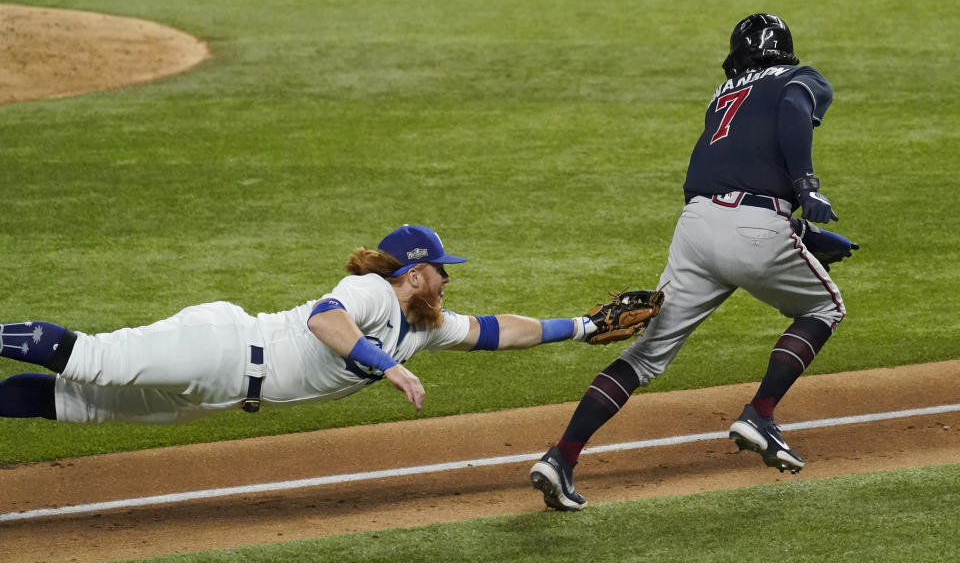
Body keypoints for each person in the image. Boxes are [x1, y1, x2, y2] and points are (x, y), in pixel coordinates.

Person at [530, 13, 848, 511]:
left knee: (644, 355)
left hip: (696, 226)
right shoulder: (801, 77)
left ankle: (561, 457)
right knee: (824, 310)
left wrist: (801, 231)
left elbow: (725, 172)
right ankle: (760, 414)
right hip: (758, 227)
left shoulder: (721, 96)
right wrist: (806, 188)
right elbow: (790, 110)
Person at [0, 224, 605, 424]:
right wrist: (387, 366)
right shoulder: (369, 292)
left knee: (76, 403)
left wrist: (581, 326)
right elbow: (325, 322)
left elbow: (497, 331)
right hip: (223, 348)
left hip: (219, 392)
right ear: (416, 272)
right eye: (442, 271)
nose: (449, 281)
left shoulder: (423, 325)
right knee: (95, 359)